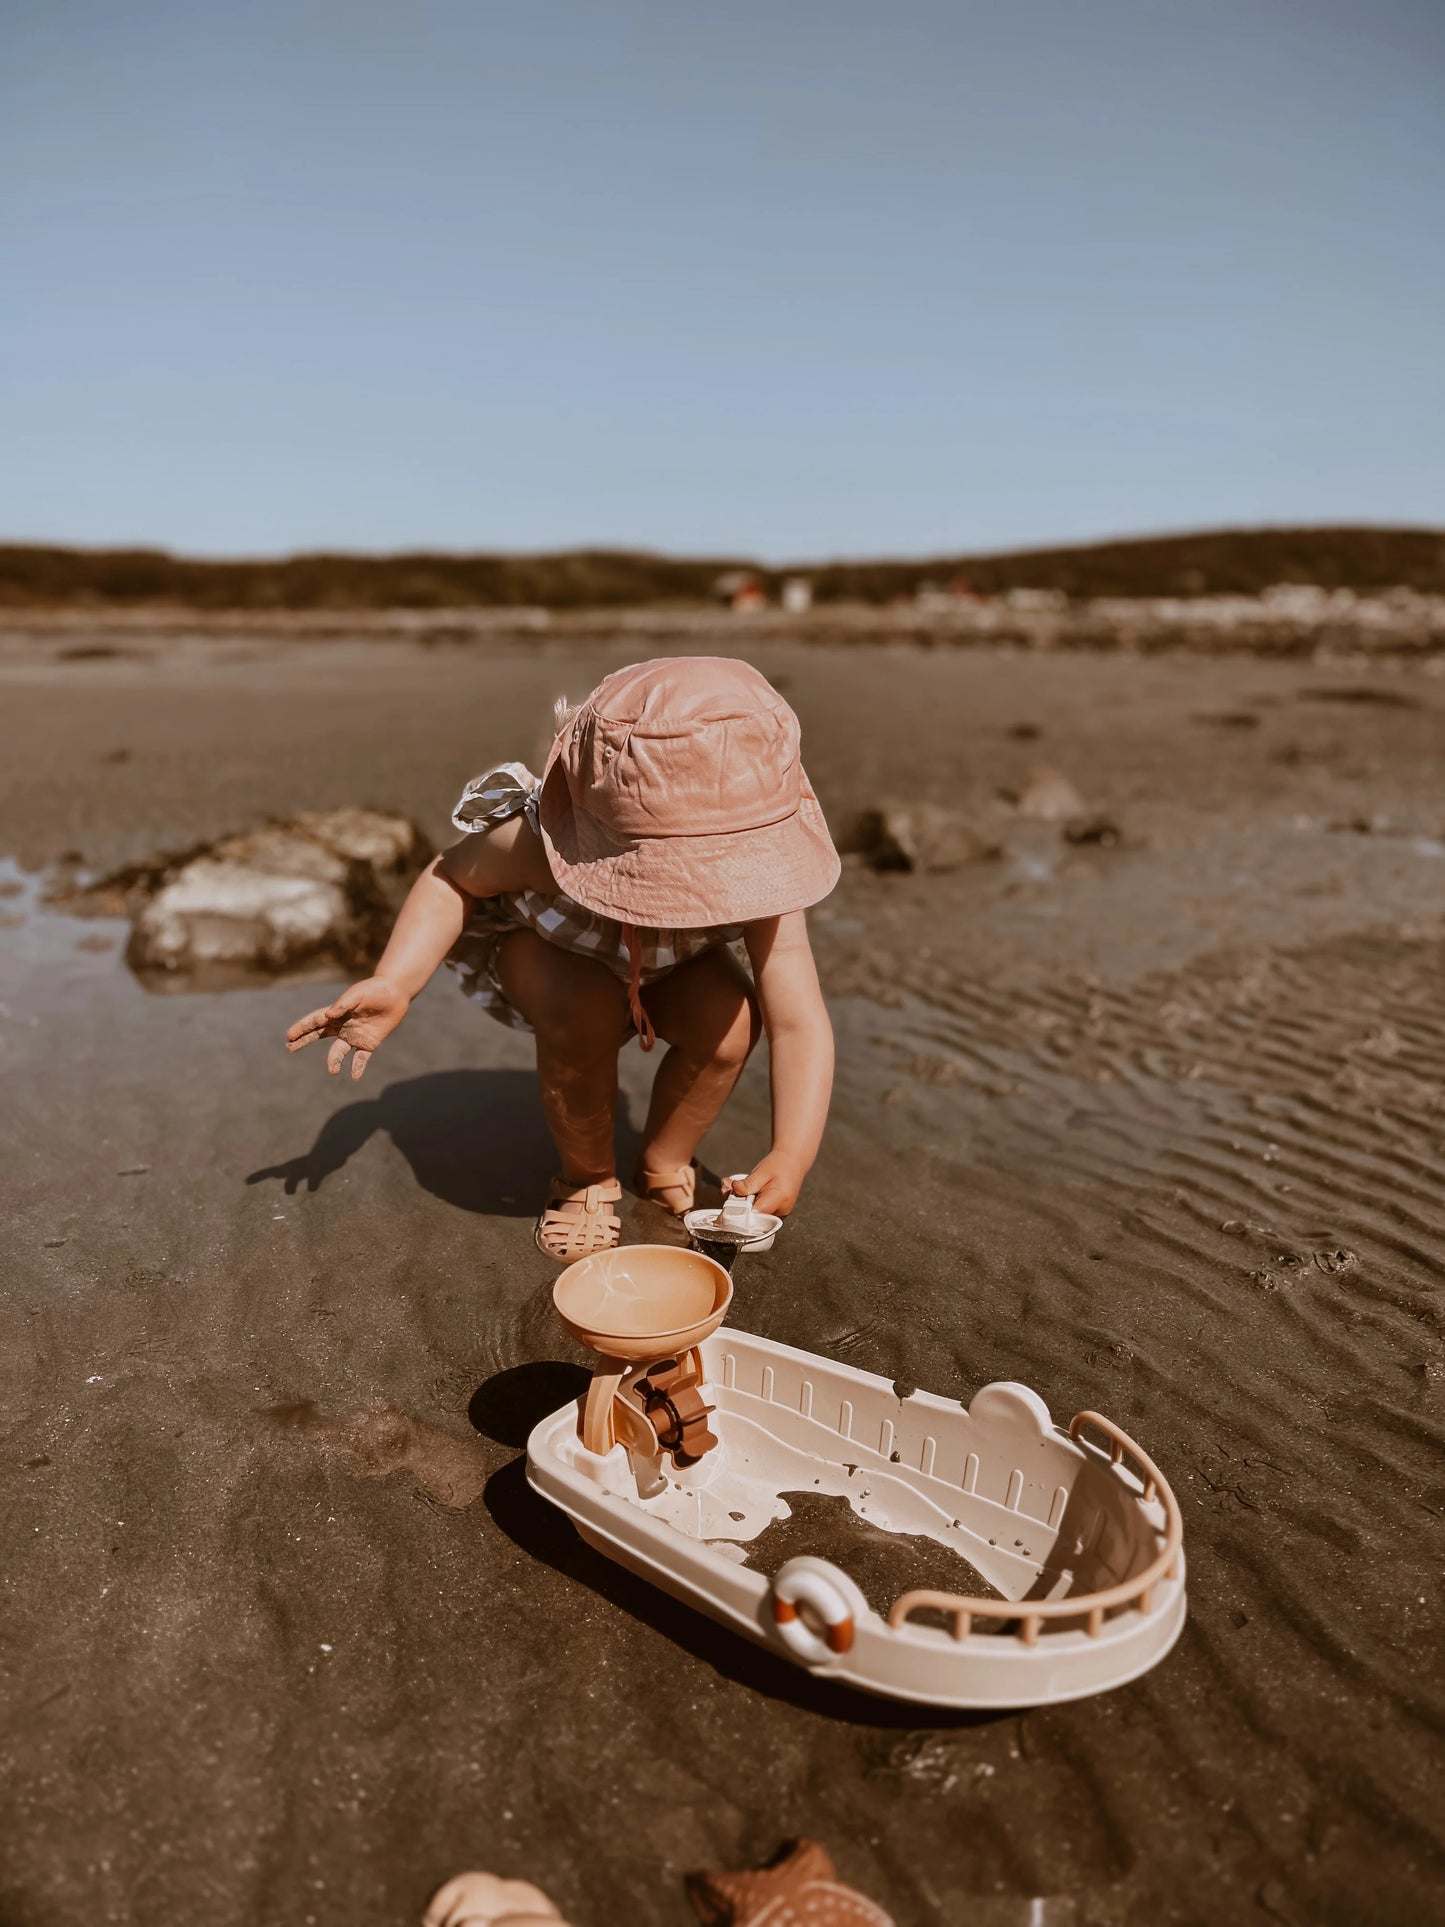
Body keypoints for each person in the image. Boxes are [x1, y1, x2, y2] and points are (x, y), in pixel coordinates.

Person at [285, 657, 839, 1261]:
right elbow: (450, 878)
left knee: (732, 1023)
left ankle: (665, 1159)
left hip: (673, 964)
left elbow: (798, 1022)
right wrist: (396, 981)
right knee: (583, 1013)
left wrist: (792, 1153)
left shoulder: (764, 877)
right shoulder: (539, 847)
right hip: (553, 948)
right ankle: (586, 1178)